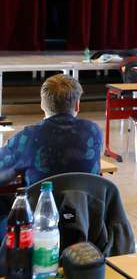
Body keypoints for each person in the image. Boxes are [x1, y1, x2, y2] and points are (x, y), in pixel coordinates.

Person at [0, 74, 103, 234]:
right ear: (77, 105)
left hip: (39, 222)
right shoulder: (94, 131)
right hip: (85, 219)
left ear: (42, 104)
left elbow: (3, 174)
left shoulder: (29, 136)